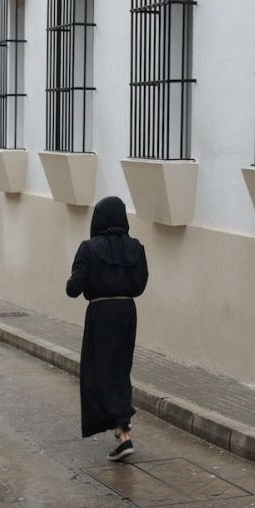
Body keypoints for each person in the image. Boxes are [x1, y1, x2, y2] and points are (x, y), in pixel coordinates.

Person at [66, 197, 149, 461]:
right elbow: (140, 284)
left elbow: (73, 289)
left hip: (100, 313)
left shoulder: (89, 248)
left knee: (98, 372)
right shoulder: (136, 248)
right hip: (126, 312)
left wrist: (77, 278)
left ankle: (122, 430)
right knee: (120, 369)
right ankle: (121, 425)